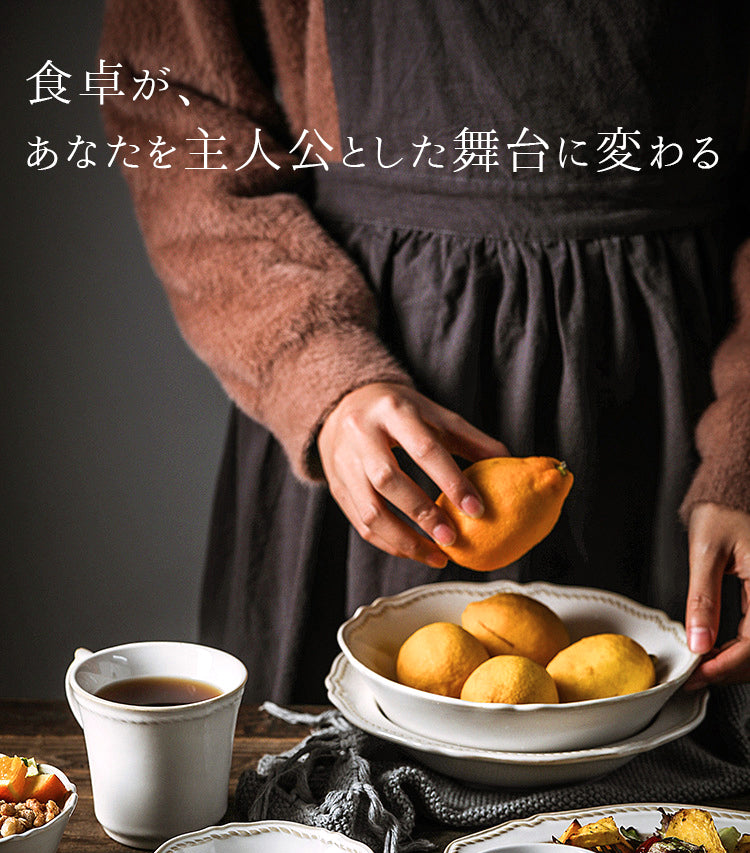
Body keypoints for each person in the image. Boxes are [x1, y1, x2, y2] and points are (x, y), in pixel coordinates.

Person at [99, 0, 750, 703]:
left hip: (676, 403)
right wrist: (318, 368)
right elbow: (166, 95)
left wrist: (747, 446)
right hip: (373, 412)